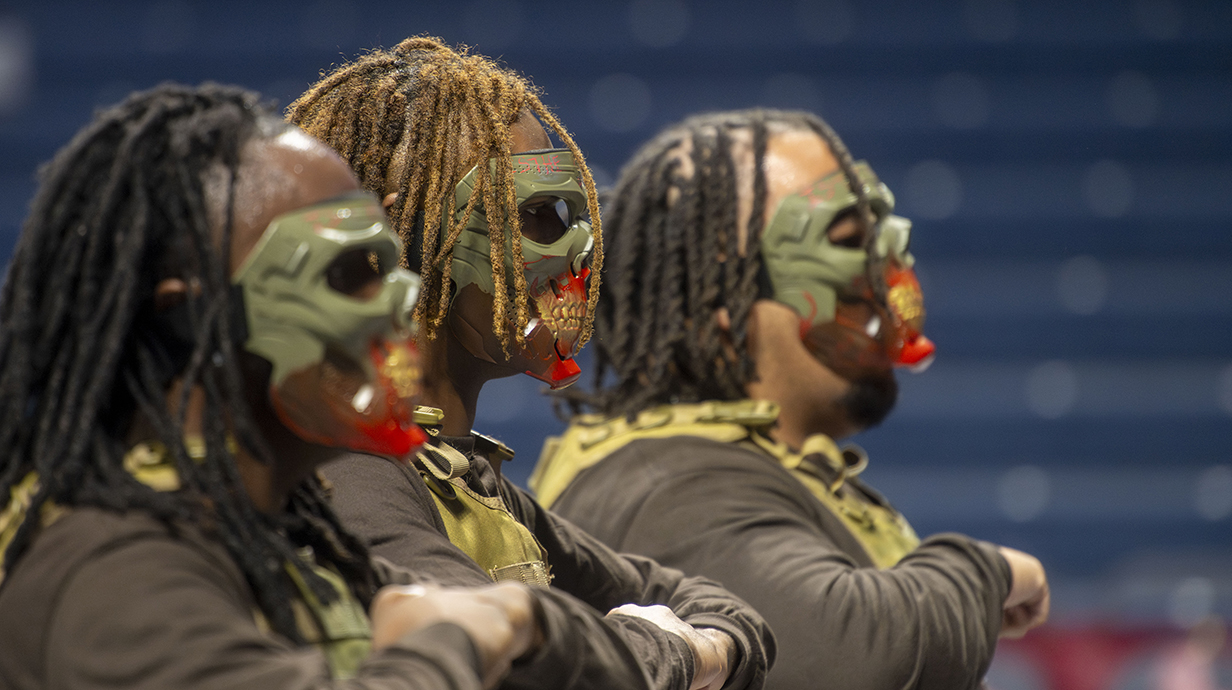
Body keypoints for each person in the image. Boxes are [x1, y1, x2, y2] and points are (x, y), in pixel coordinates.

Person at [0, 81, 619, 690]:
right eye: (345, 274)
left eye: (385, 263)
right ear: (195, 315)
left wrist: (528, 623)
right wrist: (461, 638)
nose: (400, 298)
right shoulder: (115, 566)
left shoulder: (280, 531)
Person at [289, 38, 772, 690]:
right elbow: (520, 666)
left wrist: (688, 647)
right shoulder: (343, 469)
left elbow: (718, 608)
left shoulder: (462, 477)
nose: (580, 248)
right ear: (401, 236)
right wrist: (679, 652)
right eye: (540, 215)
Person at [531, 109, 1051, 690]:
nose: (889, 266)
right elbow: (849, 659)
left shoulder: (736, 462)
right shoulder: (667, 486)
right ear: (718, 306)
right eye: (852, 240)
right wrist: (988, 571)